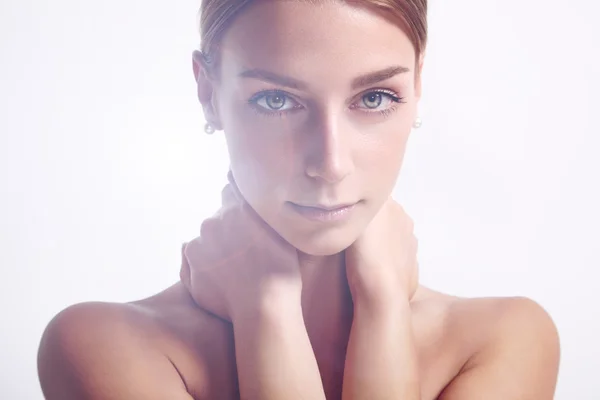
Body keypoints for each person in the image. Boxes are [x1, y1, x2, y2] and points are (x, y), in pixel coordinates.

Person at [37, 0, 561, 399]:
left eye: (375, 97)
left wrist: (381, 309)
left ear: (418, 84)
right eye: (277, 100)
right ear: (208, 92)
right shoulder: (102, 347)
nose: (331, 163)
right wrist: (267, 309)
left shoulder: (502, 342)